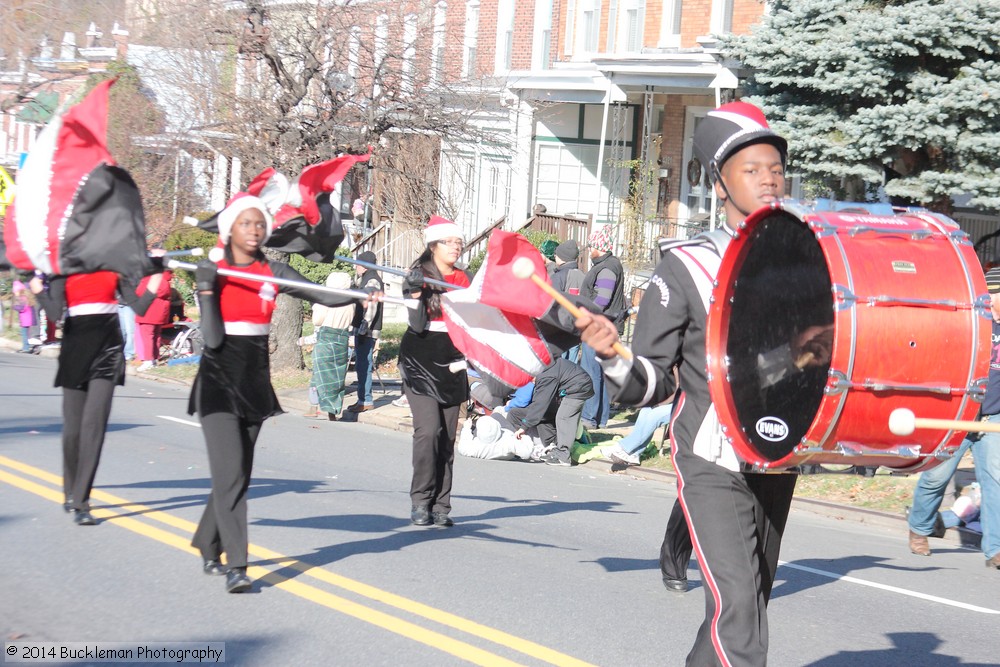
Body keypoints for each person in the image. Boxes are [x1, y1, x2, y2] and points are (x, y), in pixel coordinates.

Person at [575, 101, 807, 665]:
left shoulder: (810, 257)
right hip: (711, 454)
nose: (770, 178)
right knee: (741, 618)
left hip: (779, 453)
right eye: (752, 168)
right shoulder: (686, 266)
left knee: (746, 602)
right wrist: (611, 354)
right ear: (718, 181)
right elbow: (650, 383)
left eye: (776, 167)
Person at [188, 193, 374, 593]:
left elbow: (323, 295)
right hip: (218, 382)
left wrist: (363, 294)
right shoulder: (213, 270)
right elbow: (214, 337)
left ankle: (207, 540)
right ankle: (238, 564)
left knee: (236, 474)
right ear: (229, 229)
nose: (254, 230)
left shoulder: (273, 271)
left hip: (254, 381)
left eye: (259, 224)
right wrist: (205, 291)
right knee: (231, 472)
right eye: (245, 223)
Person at [32, 264, 166, 526]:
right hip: (76, 347)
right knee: (73, 429)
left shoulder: (115, 268)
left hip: (108, 348)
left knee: (94, 425)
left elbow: (138, 307)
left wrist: (157, 274)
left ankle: (82, 501)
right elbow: (54, 312)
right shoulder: (64, 269)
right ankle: (70, 490)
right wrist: (37, 288)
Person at [909, 265, 1000, 569]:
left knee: (995, 483)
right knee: (936, 476)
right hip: (958, 417)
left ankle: (994, 550)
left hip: (992, 419)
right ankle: (920, 528)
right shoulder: (972, 325)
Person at [398, 215, 470, 528]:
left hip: (453, 361)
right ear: (433, 245)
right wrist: (414, 296)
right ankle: (420, 500)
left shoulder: (464, 280)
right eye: (448, 242)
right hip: (420, 358)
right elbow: (416, 326)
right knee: (428, 432)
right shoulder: (418, 275)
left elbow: (472, 323)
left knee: (447, 438)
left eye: (458, 242)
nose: (455, 247)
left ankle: (441, 505)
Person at [579, 224, 626, 429]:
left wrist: (584, 313)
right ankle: (601, 418)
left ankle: (590, 417)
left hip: (598, 328)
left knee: (591, 372)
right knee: (601, 373)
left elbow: (602, 300)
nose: (590, 250)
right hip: (606, 327)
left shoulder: (607, 268)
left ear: (600, 247)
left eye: (592, 246)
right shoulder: (609, 264)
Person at [506, 358, 594, 466]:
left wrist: (523, 427)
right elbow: (540, 406)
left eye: (529, 379)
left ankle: (563, 455)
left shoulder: (546, 376)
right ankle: (553, 446)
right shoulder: (543, 370)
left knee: (564, 418)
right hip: (572, 385)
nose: (530, 382)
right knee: (543, 414)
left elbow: (539, 404)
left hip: (578, 387)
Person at [308, 271, 356, 421]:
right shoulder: (351, 301)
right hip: (342, 338)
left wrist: (316, 307)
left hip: (326, 337)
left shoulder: (326, 299)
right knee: (336, 376)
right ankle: (333, 410)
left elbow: (317, 320)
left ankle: (314, 406)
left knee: (320, 374)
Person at [348, 250, 383, 413]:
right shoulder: (368, 279)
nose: (356, 266)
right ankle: (363, 399)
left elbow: (372, 305)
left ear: (365, 266)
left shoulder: (372, 280)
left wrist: (364, 326)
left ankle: (365, 400)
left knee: (363, 365)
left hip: (366, 330)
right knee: (363, 364)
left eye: (359, 263)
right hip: (365, 329)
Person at [601, 400, 674, 466]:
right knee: (646, 409)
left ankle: (623, 447)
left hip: (683, 406)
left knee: (655, 415)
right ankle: (634, 454)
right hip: (679, 400)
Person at [134, 264, 173, 371]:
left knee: (147, 336)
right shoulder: (165, 280)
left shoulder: (150, 278)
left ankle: (148, 361)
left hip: (148, 311)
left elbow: (139, 291)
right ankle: (154, 359)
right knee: (156, 336)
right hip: (160, 313)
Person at [12, 279, 38, 353]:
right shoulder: (26, 297)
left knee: (24, 334)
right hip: (27, 320)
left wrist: (15, 307)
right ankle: (27, 347)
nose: (15, 294)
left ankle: (25, 348)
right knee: (26, 334)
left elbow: (22, 308)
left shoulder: (23, 298)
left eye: (15, 292)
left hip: (25, 320)